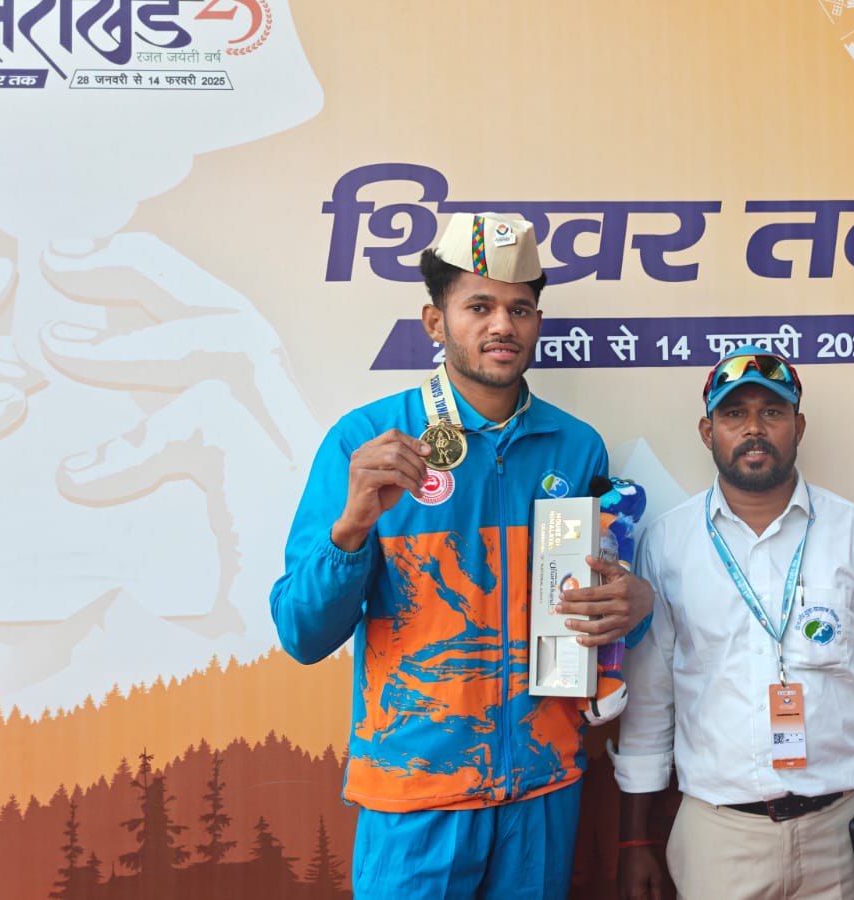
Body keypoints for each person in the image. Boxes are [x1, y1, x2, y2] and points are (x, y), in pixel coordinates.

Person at [269, 211, 654, 898]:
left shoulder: (577, 447)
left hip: (543, 787)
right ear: (435, 321)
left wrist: (638, 605)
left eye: (520, 308)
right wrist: (353, 525)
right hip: (415, 796)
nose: (501, 326)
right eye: (478, 306)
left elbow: (598, 615)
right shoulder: (366, 443)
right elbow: (302, 633)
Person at [611, 346, 854, 900]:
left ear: (799, 425)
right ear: (706, 429)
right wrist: (634, 842)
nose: (754, 429)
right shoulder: (668, 544)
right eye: (734, 414)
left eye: (773, 412)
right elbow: (650, 701)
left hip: (842, 833)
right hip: (718, 838)